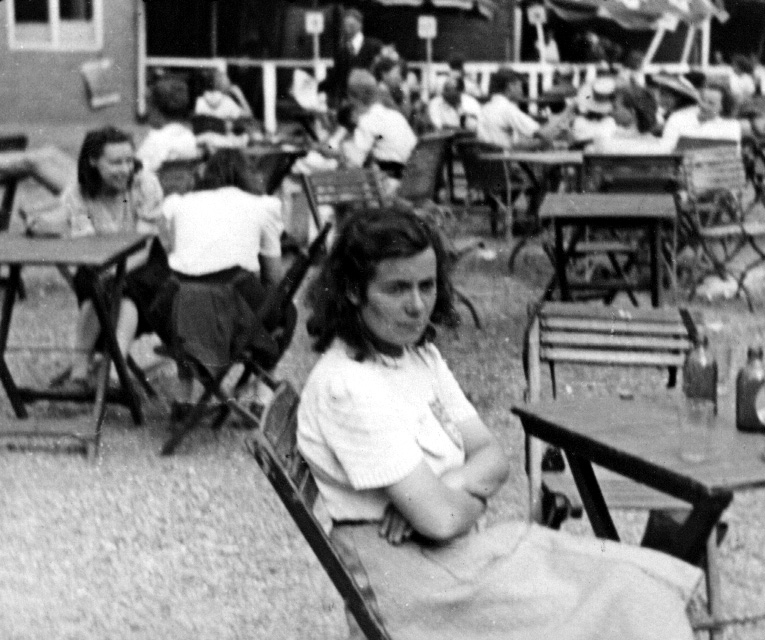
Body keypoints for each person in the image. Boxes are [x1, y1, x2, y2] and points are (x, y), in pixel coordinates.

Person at [298, 207, 702, 640]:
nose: (416, 306)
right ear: (354, 291)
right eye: (397, 289)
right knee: (626, 589)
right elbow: (440, 519)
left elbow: (494, 458)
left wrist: (450, 485)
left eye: (426, 286)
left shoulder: (418, 357)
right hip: (418, 584)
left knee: (639, 577)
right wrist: (467, 502)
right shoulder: (349, 387)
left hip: (456, 556)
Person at [147, 149, 290, 410]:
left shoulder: (179, 204)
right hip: (229, 302)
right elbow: (274, 276)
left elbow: (173, 251)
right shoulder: (262, 206)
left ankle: (184, 394)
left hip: (176, 307)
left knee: (189, 304)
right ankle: (262, 392)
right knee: (285, 311)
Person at [56, 126, 167, 389]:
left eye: (129, 161)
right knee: (98, 286)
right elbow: (85, 244)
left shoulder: (144, 184)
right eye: (116, 162)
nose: (125, 169)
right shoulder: (77, 194)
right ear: (93, 161)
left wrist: (113, 273)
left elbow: (143, 245)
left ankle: (113, 372)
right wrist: (105, 271)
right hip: (98, 261)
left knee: (123, 288)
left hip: (144, 261)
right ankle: (85, 372)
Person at [337, 69, 417, 195]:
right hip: (411, 182)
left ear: (352, 97)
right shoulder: (396, 116)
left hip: (389, 187)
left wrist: (337, 151)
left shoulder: (368, 120)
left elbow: (353, 163)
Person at [476, 69, 557, 149]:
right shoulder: (507, 108)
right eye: (520, 86)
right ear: (510, 86)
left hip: (488, 153)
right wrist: (563, 115)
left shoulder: (486, 108)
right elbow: (542, 132)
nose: (522, 90)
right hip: (504, 155)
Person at [319, 9, 384, 107]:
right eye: (346, 26)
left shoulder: (374, 46)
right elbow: (335, 77)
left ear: (360, 25)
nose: (348, 29)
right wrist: (316, 87)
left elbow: (381, 71)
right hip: (349, 100)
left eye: (351, 25)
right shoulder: (341, 51)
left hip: (370, 98)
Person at [137, 75, 200, 173]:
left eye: (148, 107)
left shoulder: (155, 140)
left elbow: (138, 172)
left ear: (156, 109)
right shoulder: (189, 136)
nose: (147, 112)